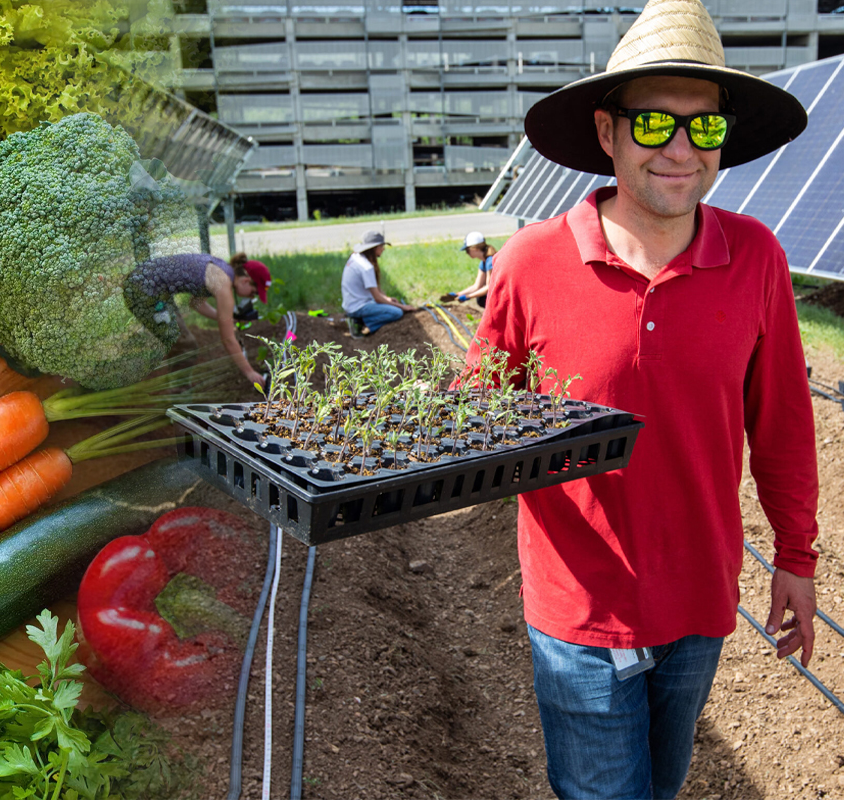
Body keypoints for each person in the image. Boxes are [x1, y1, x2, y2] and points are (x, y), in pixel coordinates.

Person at [468, 0, 816, 797]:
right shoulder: (530, 263)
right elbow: (474, 414)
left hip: (699, 596)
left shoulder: (755, 256)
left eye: (704, 127)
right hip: (577, 610)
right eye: (655, 125)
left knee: (662, 786)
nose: (682, 150)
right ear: (607, 132)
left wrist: (796, 557)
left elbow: (785, 426)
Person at [125, 252, 265, 387]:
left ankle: (176, 390)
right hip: (143, 290)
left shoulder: (221, 269)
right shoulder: (223, 284)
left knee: (181, 342)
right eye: (254, 293)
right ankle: (179, 401)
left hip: (148, 286)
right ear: (246, 280)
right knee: (185, 345)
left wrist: (227, 319)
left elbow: (196, 304)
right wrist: (250, 372)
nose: (251, 297)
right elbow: (228, 340)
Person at [341, 230, 418, 337]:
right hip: (358, 307)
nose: (383, 249)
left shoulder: (356, 258)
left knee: (391, 307)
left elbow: (374, 290)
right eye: (381, 246)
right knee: (396, 313)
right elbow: (377, 297)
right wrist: (402, 307)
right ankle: (361, 322)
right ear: (375, 248)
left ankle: (360, 319)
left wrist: (386, 299)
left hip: (352, 302)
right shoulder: (366, 267)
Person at [447, 231, 498, 308]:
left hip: (501, 295)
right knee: (480, 299)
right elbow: (476, 286)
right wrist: (458, 294)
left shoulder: (490, 261)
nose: (467, 253)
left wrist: (468, 296)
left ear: (475, 248)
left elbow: (489, 288)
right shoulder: (483, 262)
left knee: (483, 299)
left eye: (467, 250)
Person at [229, 253, 272, 321]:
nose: (251, 297)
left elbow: (205, 307)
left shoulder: (227, 278)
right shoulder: (224, 282)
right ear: (245, 281)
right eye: (252, 292)